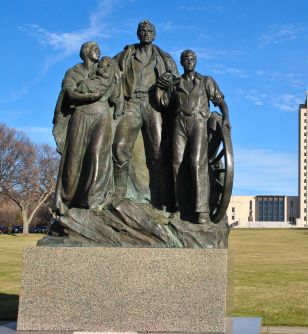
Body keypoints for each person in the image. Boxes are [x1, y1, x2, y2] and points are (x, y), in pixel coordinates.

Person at [155, 49, 230, 224]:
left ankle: (201, 211)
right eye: (186, 59)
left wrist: (226, 117)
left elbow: (220, 101)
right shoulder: (176, 84)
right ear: (181, 63)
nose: (189, 62)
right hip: (180, 124)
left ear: (196, 62)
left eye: (192, 59)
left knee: (197, 163)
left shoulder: (206, 81)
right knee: (177, 164)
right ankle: (182, 207)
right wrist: (158, 87)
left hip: (198, 122)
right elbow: (163, 103)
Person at [112, 20, 179, 209]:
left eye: (149, 30)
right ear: (138, 33)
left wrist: (169, 82)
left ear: (154, 34)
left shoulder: (165, 58)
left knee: (158, 152)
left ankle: (160, 199)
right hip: (131, 103)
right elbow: (108, 70)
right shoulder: (126, 55)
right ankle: (119, 192)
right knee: (119, 146)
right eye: (143, 30)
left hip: (153, 105)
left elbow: (177, 83)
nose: (146, 33)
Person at [52, 42, 120, 214]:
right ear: (84, 53)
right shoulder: (74, 72)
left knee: (98, 154)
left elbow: (115, 98)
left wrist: (116, 82)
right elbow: (69, 94)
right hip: (81, 115)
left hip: (102, 115)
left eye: (98, 48)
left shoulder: (107, 69)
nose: (97, 51)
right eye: (93, 49)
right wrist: (90, 96)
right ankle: (67, 200)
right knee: (73, 160)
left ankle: (94, 200)